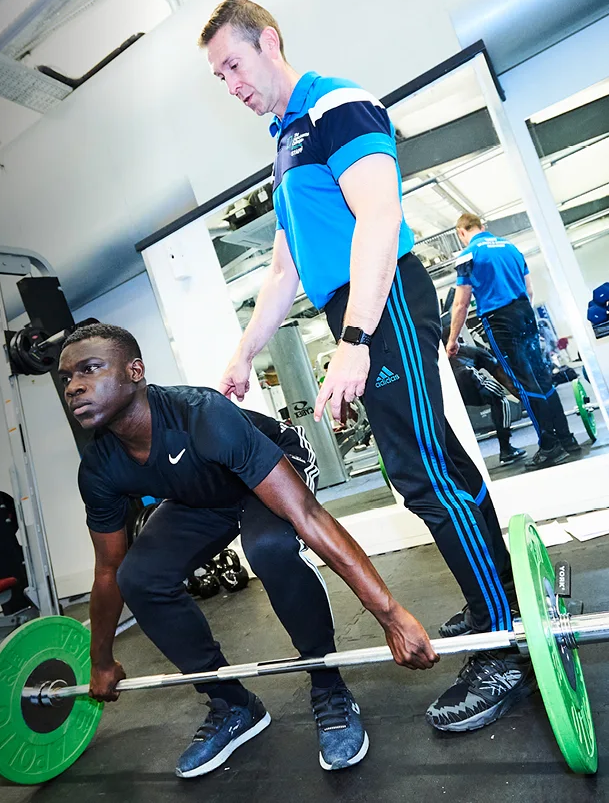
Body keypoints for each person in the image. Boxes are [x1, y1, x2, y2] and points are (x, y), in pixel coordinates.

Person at [198, 0, 533, 734]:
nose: (229, 84)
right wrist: (243, 351)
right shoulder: (284, 141)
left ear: (268, 42)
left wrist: (353, 338)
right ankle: (495, 601)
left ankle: (506, 643)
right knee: (432, 465)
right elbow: (285, 266)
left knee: (425, 476)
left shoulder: (334, 105)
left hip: (378, 296)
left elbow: (378, 217)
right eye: (217, 76)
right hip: (353, 303)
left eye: (231, 64)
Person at [60, 322, 439, 779]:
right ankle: (233, 705)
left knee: (270, 548)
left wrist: (391, 616)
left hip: (273, 466)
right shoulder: (99, 467)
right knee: (139, 578)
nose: (74, 386)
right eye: (66, 378)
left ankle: (327, 684)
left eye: (90, 369)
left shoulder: (200, 415)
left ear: (135, 370)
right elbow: (108, 570)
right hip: (202, 498)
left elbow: (308, 516)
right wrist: (100, 660)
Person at [444, 213, 582, 470]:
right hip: (524, 313)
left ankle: (550, 447)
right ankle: (566, 439)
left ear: (461, 233)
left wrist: (452, 339)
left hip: (500, 320)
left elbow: (461, 303)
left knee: (524, 383)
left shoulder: (468, 254)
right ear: (483, 226)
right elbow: (529, 290)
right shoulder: (511, 247)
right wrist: (521, 315)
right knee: (543, 378)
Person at [449, 342, 527, 468]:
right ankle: (506, 450)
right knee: (500, 398)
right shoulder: (474, 351)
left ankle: (454, 464)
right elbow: (503, 378)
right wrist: (524, 399)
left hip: (444, 387)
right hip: (465, 376)